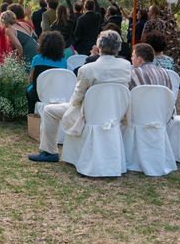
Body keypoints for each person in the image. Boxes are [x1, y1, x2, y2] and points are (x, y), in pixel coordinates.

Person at [28, 30, 131, 162]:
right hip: (115, 113)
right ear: (118, 47)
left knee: (49, 111)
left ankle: (50, 152)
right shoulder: (126, 66)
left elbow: (76, 99)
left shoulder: (88, 69)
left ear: (99, 46)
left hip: (88, 114)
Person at [26, 31, 67, 114]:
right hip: (57, 95)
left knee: (28, 90)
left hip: (38, 95)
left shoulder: (36, 59)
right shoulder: (63, 61)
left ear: (43, 45)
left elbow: (31, 79)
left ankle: (32, 115)